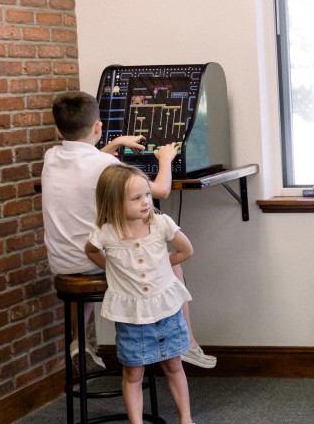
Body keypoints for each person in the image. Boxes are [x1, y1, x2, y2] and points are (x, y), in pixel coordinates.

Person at [41, 91, 216, 371]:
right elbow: (158, 190)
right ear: (97, 126)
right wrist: (165, 159)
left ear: (58, 130)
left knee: (87, 261)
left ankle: (79, 341)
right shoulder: (105, 165)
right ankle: (188, 345)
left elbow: (85, 160)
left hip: (63, 263)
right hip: (96, 261)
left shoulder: (51, 157)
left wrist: (115, 144)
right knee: (169, 264)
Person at [84, 164, 207, 424]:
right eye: (136, 198)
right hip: (132, 317)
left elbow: (186, 250)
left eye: (147, 195)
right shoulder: (106, 232)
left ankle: (187, 421)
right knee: (133, 373)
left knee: (174, 365)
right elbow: (90, 250)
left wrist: (165, 264)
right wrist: (110, 267)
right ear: (114, 202)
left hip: (166, 309)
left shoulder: (161, 224)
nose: (145, 202)